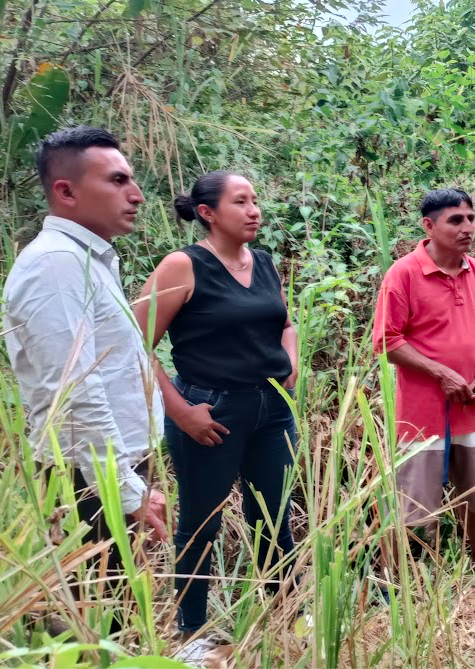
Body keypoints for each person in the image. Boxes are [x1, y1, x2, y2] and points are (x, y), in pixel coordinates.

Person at [3, 126, 168, 632]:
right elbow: (72, 391)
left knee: (117, 612)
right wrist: (126, 490)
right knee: (97, 624)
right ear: (66, 191)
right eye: (117, 180)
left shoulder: (87, 260)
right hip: (89, 477)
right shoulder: (56, 265)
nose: (136, 195)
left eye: (131, 180)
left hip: (109, 468)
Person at [133, 171, 299, 662]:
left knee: (273, 516)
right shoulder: (182, 265)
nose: (254, 210)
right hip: (211, 410)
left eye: (255, 200)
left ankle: (287, 613)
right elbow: (135, 345)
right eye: (240, 201)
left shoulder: (262, 262)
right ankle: (191, 633)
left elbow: (285, 323)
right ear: (207, 212)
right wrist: (180, 410)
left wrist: (290, 363)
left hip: (272, 409)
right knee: (200, 522)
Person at [371, 188, 475, 581]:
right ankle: (397, 574)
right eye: (455, 220)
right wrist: (441, 373)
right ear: (429, 226)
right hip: (422, 412)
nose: (467, 227)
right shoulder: (403, 274)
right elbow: (386, 341)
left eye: (470, 218)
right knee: (413, 496)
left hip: (473, 406)